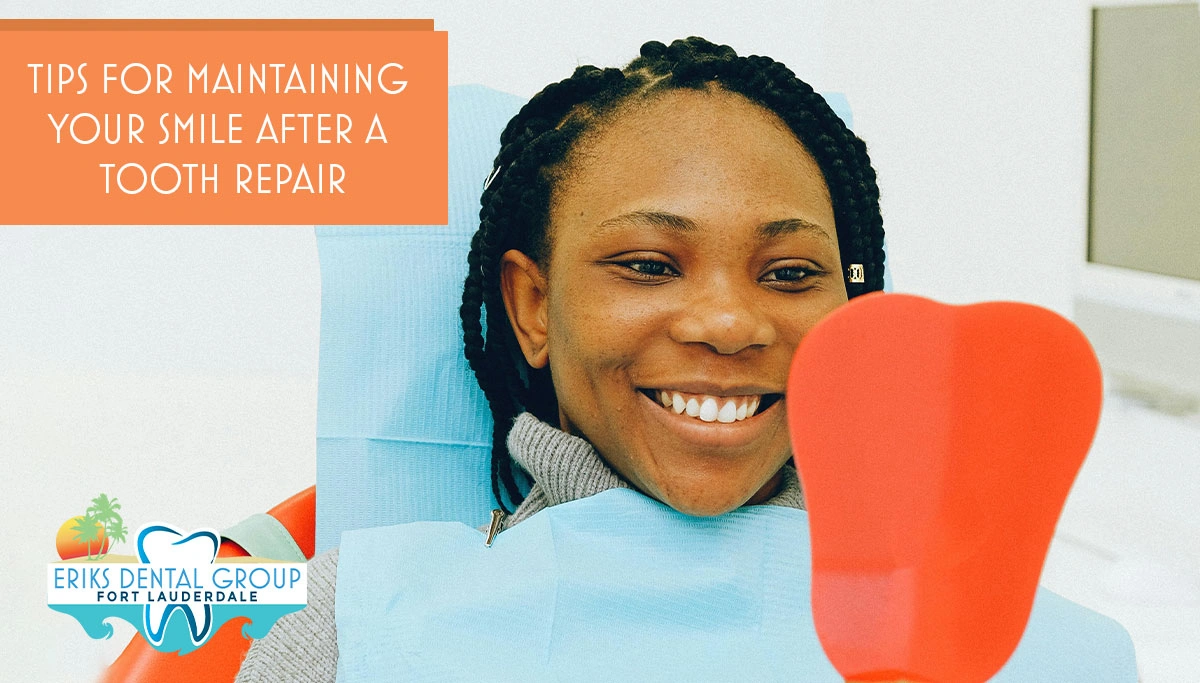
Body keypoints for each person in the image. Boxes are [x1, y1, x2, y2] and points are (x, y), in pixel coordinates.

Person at [235, 36, 880, 682]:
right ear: (534, 307)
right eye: (650, 266)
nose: (728, 323)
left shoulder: (953, 623)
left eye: (792, 272)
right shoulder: (351, 628)